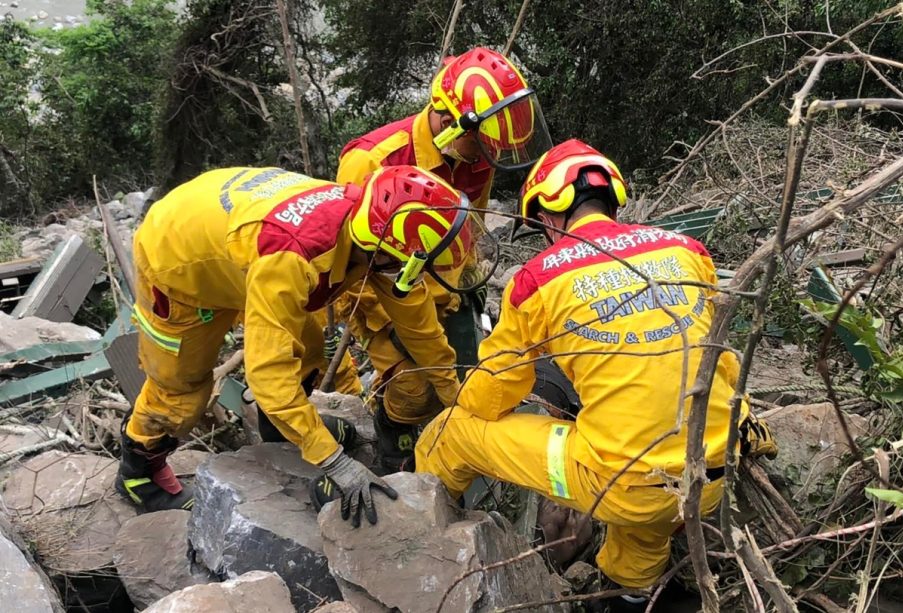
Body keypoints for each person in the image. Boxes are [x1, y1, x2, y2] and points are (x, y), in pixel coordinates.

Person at [415, 139, 777, 610]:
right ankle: (629, 592)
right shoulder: (686, 249)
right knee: (643, 534)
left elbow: (490, 394)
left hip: (619, 484)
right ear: (611, 198)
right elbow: (719, 359)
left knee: (456, 430)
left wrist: (464, 394)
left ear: (547, 216)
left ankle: (418, 527)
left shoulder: (540, 278)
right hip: (709, 475)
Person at [118, 164, 480, 527]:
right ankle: (139, 476)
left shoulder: (374, 230)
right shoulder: (295, 257)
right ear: (381, 251)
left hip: (236, 241)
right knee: (180, 390)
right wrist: (335, 462)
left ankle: (281, 435)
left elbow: (419, 328)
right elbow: (268, 377)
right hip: (178, 260)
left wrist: (454, 395)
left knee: (306, 346)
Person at [333, 46, 552, 471]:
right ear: (450, 124)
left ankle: (452, 456)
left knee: (464, 377)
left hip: (447, 286)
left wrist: (465, 292)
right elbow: (354, 262)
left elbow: (471, 233)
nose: (487, 155)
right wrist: (390, 331)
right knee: (413, 387)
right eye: (481, 144)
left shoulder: (476, 156)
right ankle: (393, 435)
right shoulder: (373, 161)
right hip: (383, 289)